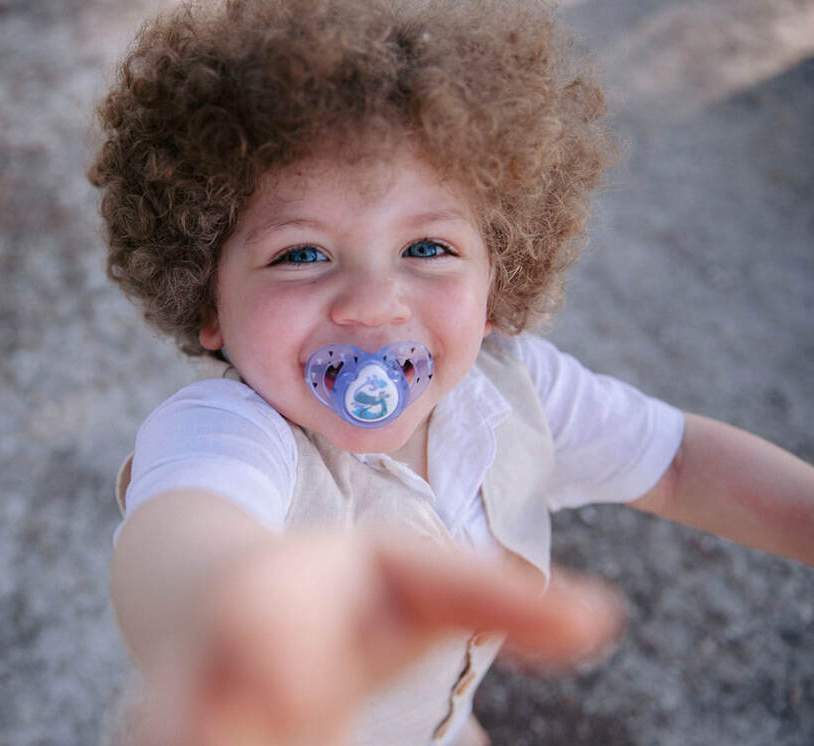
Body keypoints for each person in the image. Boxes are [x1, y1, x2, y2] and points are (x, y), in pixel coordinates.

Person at [88, 0, 814, 743]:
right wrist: (234, 616)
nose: (373, 306)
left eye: (428, 247)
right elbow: (180, 532)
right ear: (209, 299)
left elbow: (681, 465)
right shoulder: (227, 432)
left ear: (499, 276)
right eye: (300, 253)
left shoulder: (520, 390)